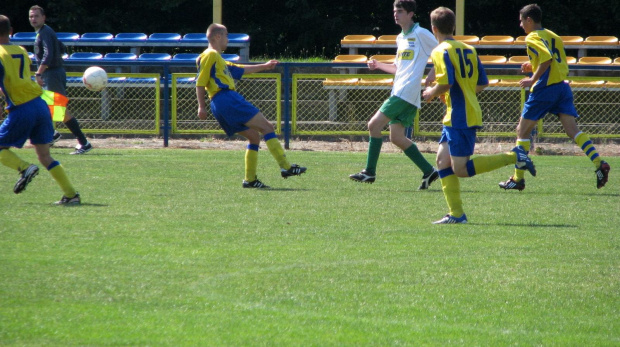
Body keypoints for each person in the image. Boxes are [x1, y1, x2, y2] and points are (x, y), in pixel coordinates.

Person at [422, 7, 535, 224]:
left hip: (459, 116)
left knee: (461, 170)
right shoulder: (468, 49)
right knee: (442, 161)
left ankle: (515, 156)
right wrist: (462, 92)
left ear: (433, 28)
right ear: (453, 27)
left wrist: (431, 92)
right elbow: (482, 83)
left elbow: (446, 82)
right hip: (461, 112)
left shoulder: (440, 50)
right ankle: (456, 215)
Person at [499, 4, 610, 191]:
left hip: (544, 89)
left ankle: (518, 179)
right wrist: (532, 64)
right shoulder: (553, 35)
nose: (520, 25)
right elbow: (553, 60)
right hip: (562, 87)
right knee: (572, 131)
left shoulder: (532, 36)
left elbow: (547, 59)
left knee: (521, 131)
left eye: (521, 21)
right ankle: (599, 163)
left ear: (529, 20)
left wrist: (532, 78)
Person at [196, 23, 306, 188]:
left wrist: (265, 66)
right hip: (226, 98)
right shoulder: (210, 55)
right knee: (268, 127)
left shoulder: (217, 59)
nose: (228, 39)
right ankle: (286, 167)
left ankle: (250, 180)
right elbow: (200, 82)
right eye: (226, 35)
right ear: (217, 36)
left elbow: (240, 69)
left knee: (254, 137)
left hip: (219, 103)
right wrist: (200, 106)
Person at [349, 0, 439, 190]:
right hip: (402, 91)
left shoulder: (421, 33)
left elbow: (444, 52)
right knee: (397, 138)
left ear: (411, 14)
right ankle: (429, 170)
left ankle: (369, 172)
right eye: (394, 11)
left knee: (373, 125)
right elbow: (398, 68)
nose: (395, 14)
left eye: (400, 11)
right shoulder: (401, 38)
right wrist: (379, 65)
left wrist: (431, 75)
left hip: (405, 92)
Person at [0, 14, 80, 204]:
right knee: (45, 155)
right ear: (11, 31)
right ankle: (71, 195)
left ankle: (24, 167)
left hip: (22, 108)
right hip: (39, 104)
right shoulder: (20, 49)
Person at [29, 5, 93, 155]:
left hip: (51, 75)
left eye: (36, 16)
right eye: (31, 16)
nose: (33, 19)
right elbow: (60, 48)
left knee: (61, 111)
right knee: (45, 106)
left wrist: (38, 73)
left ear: (43, 18)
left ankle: (84, 142)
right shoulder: (45, 32)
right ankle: (52, 134)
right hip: (52, 74)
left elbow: (48, 54)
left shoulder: (45, 32)